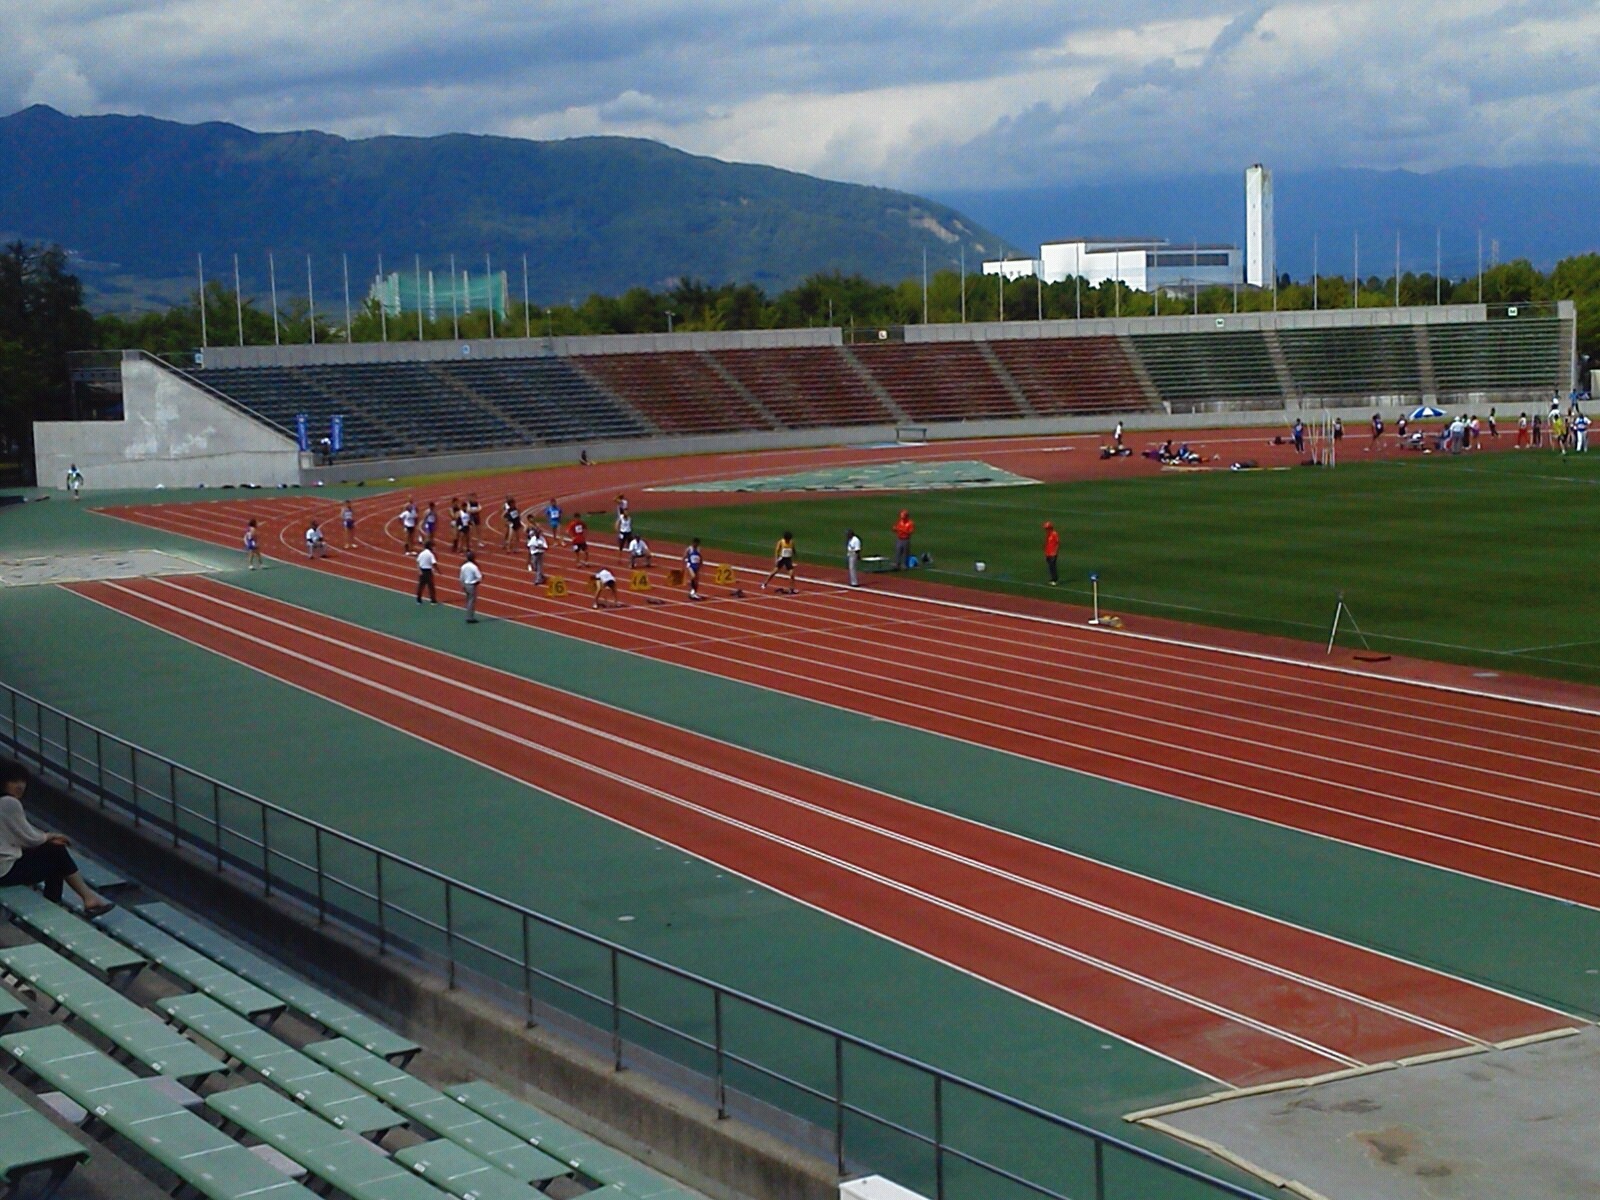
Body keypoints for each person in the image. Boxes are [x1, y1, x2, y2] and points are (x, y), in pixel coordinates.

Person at [0, 761, 114, 914]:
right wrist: (50, 836)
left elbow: (20, 833)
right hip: (5, 872)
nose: (20, 786)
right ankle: (63, 904)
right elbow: (29, 838)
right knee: (57, 856)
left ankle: (76, 901)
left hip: (5, 868)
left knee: (54, 852)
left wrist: (47, 838)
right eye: (14, 781)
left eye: (22, 781)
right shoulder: (8, 803)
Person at [459, 552, 483, 623]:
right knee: (471, 601)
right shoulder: (474, 567)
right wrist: (476, 582)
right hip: (471, 585)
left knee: (468, 600)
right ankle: (470, 617)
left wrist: (462, 585)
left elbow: (461, 577)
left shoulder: (463, 566)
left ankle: (468, 615)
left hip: (465, 584)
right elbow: (479, 577)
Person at [1043, 521, 1060, 585]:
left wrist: (1055, 552)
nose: (1045, 530)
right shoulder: (1048, 534)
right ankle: (1052, 579)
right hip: (1048, 553)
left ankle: (1055, 579)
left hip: (1053, 553)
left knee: (1053, 566)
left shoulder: (1054, 534)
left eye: (1046, 528)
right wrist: (1046, 553)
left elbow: (1057, 543)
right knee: (1050, 566)